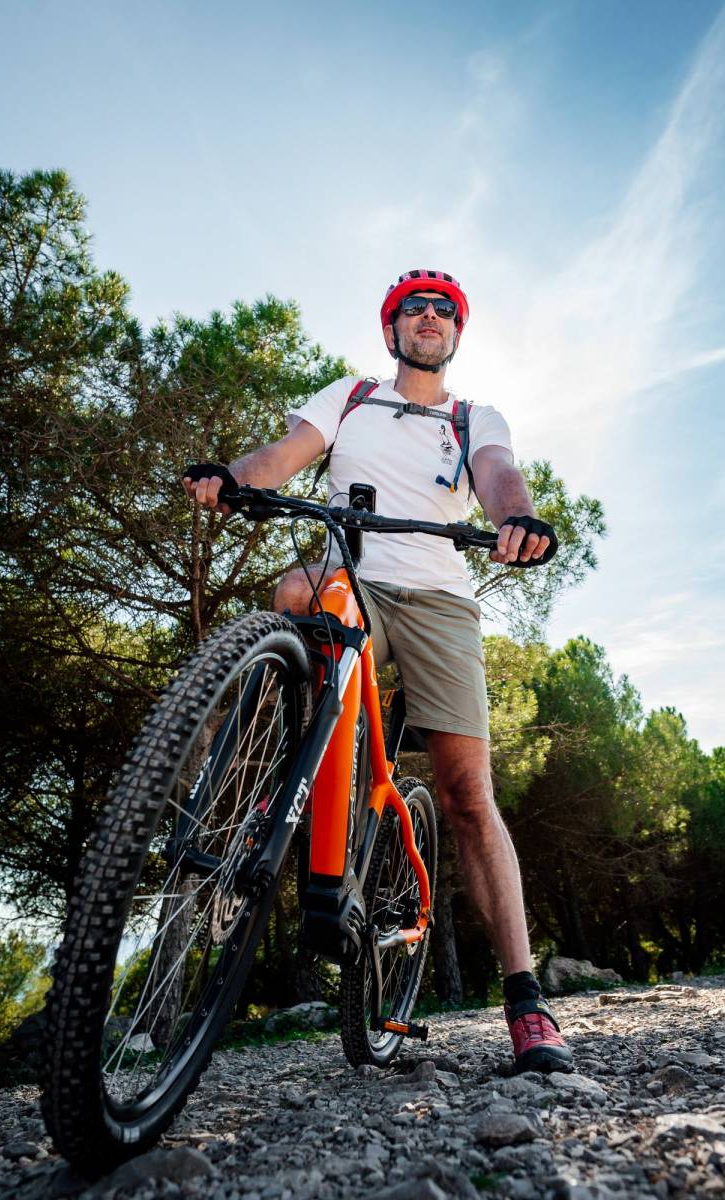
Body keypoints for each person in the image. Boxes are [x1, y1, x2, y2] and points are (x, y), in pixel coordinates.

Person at [183, 269, 573, 1074]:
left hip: (437, 597)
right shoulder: (351, 396)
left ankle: (526, 1001)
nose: (428, 317)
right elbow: (283, 456)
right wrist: (234, 478)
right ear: (391, 328)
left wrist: (514, 519)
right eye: (413, 309)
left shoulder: (474, 417)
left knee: (468, 797)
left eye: (442, 310)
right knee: (295, 590)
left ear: (453, 334)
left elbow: (498, 475)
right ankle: (267, 772)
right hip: (350, 578)